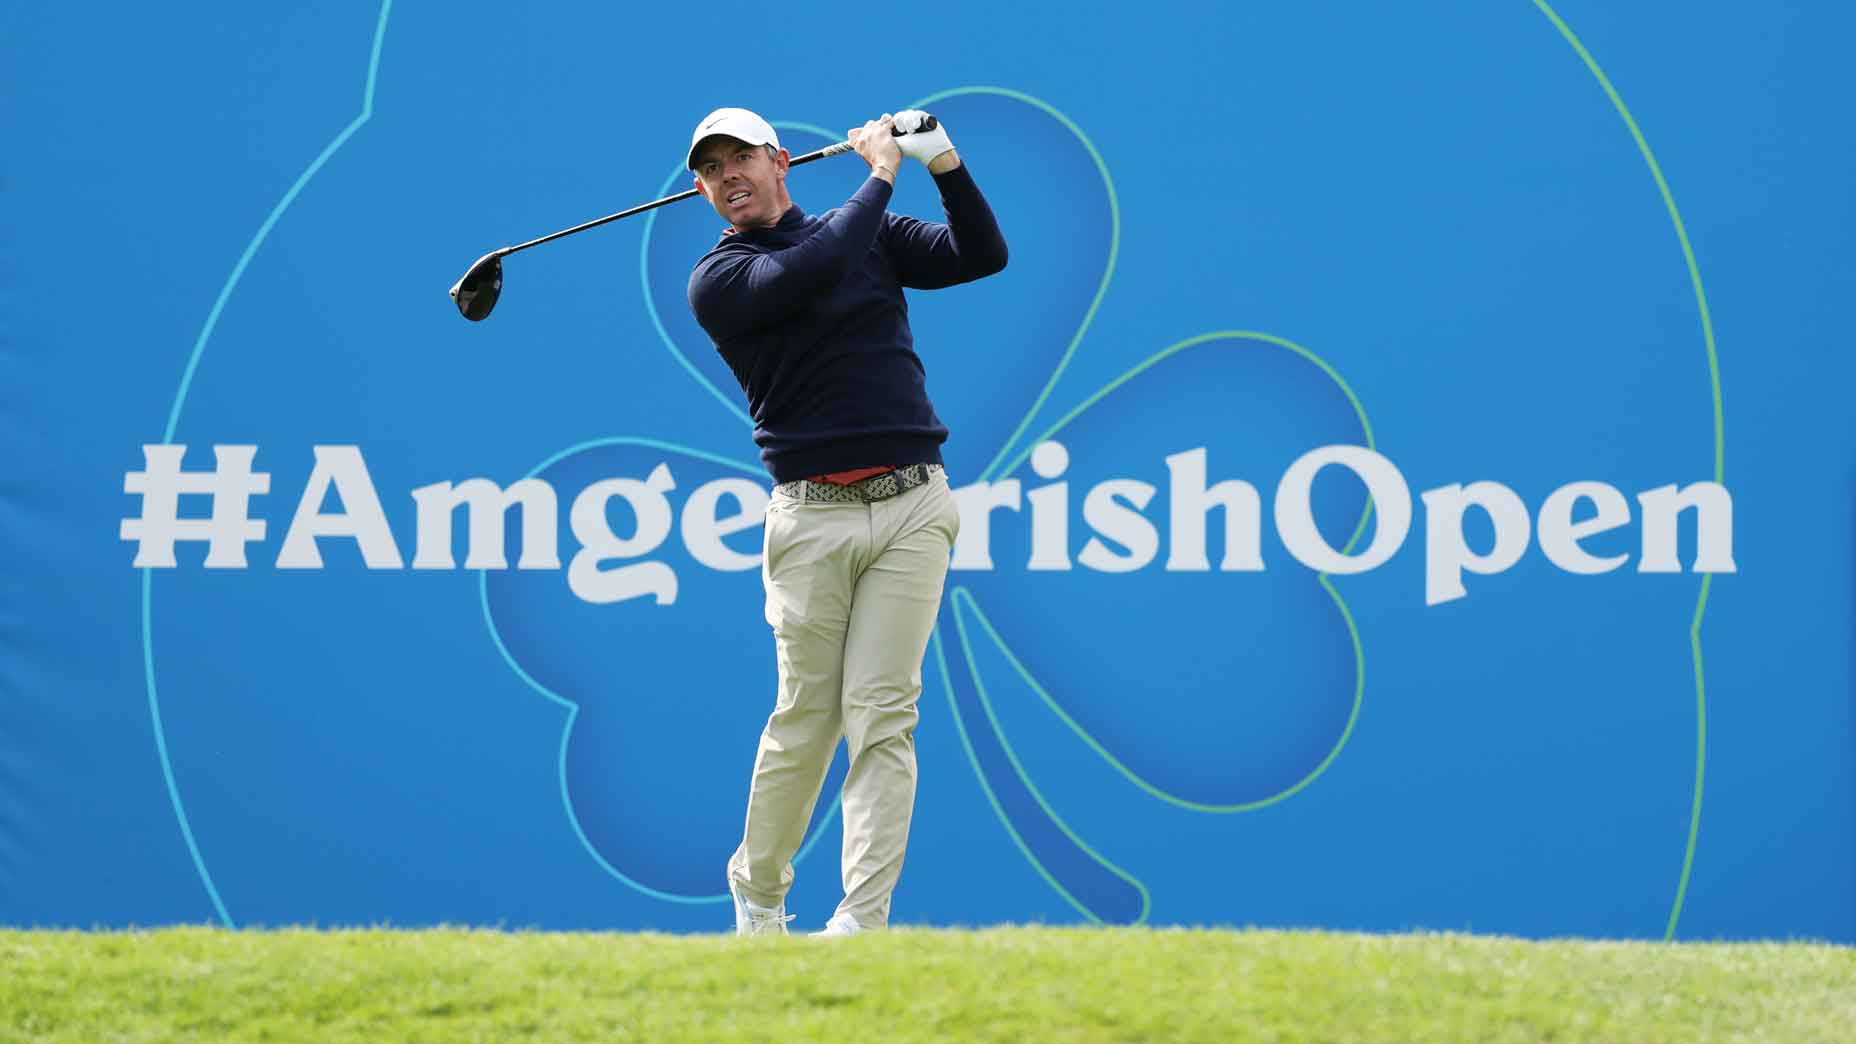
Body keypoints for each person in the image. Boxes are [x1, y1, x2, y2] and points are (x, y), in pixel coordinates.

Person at [684, 107, 1008, 935]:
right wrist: (880, 170)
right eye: (711, 169)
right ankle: (758, 891)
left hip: (912, 505)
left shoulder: (866, 230)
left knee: (884, 712)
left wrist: (942, 162)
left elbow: (982, 255)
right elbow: (814, 270)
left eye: (741, 158)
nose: (729, 177)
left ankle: (862, 923)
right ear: (702, 190)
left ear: (780, 159)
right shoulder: (718, 279)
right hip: (812, 519)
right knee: (808, 717)